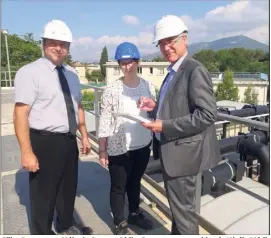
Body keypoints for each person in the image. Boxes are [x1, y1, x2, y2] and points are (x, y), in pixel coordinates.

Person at [139, 15, 221, 235]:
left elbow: (206, 114)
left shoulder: (194, 70)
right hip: (173, 154)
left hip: (183, 158)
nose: (166, 47)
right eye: (162, 43)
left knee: (184, 217)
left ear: (184, 39)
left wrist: (164, 126)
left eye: (171, 41)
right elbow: (178, 106)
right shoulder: (174, 70)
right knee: (179, 212)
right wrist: (154, 106)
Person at [13, 20, 93, 235]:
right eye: (53, 43)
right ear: (43, 43)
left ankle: (65, 225)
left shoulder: (72, 75)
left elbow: (77, 107)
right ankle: (42, 231)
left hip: (68, 139)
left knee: (68, 189)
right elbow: (21, 113)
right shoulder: (29, 72)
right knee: (43, 194)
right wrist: (27, 152)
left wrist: (84, 135)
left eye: (64, 44)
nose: (59, 48)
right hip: (44, 140)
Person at [98, 42, 155, 235]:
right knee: (118, 186)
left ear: (138, 62)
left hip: (143, 144)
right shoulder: (112, 89)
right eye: (123, 62)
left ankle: (134, 213)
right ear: (119, 64)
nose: (127, 66)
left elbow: (153, 112)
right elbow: (105, 120)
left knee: (135, 181)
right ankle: (119, 221)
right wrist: (103, 149)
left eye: (131, 62)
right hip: (119, 147)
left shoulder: (148, 86)